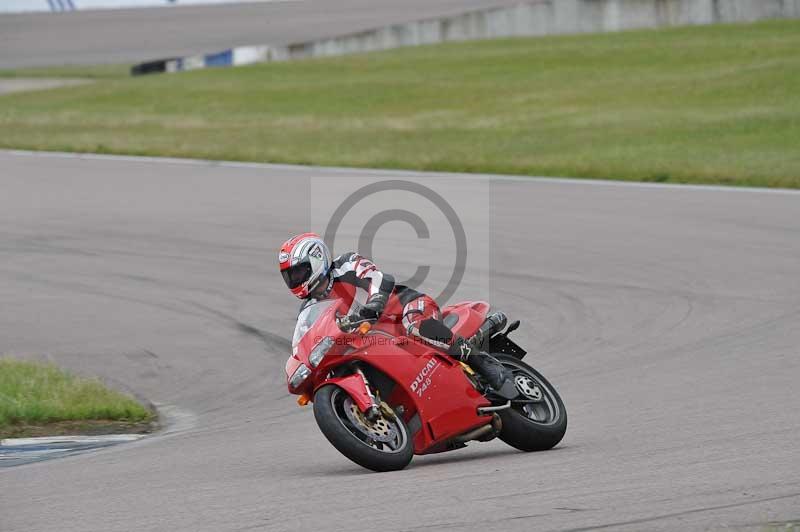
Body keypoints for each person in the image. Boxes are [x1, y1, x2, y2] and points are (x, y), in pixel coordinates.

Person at [278, 232, 512, 390]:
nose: (294, 280)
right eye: (290, 276)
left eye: (298, 272)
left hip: (406, 309)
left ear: (316, 259)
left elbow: (377, 278)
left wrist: (375, 303)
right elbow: (302, 343)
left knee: (415, 325)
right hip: (381, 343)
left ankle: (480, 361)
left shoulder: (345, 265)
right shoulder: (309, 309)